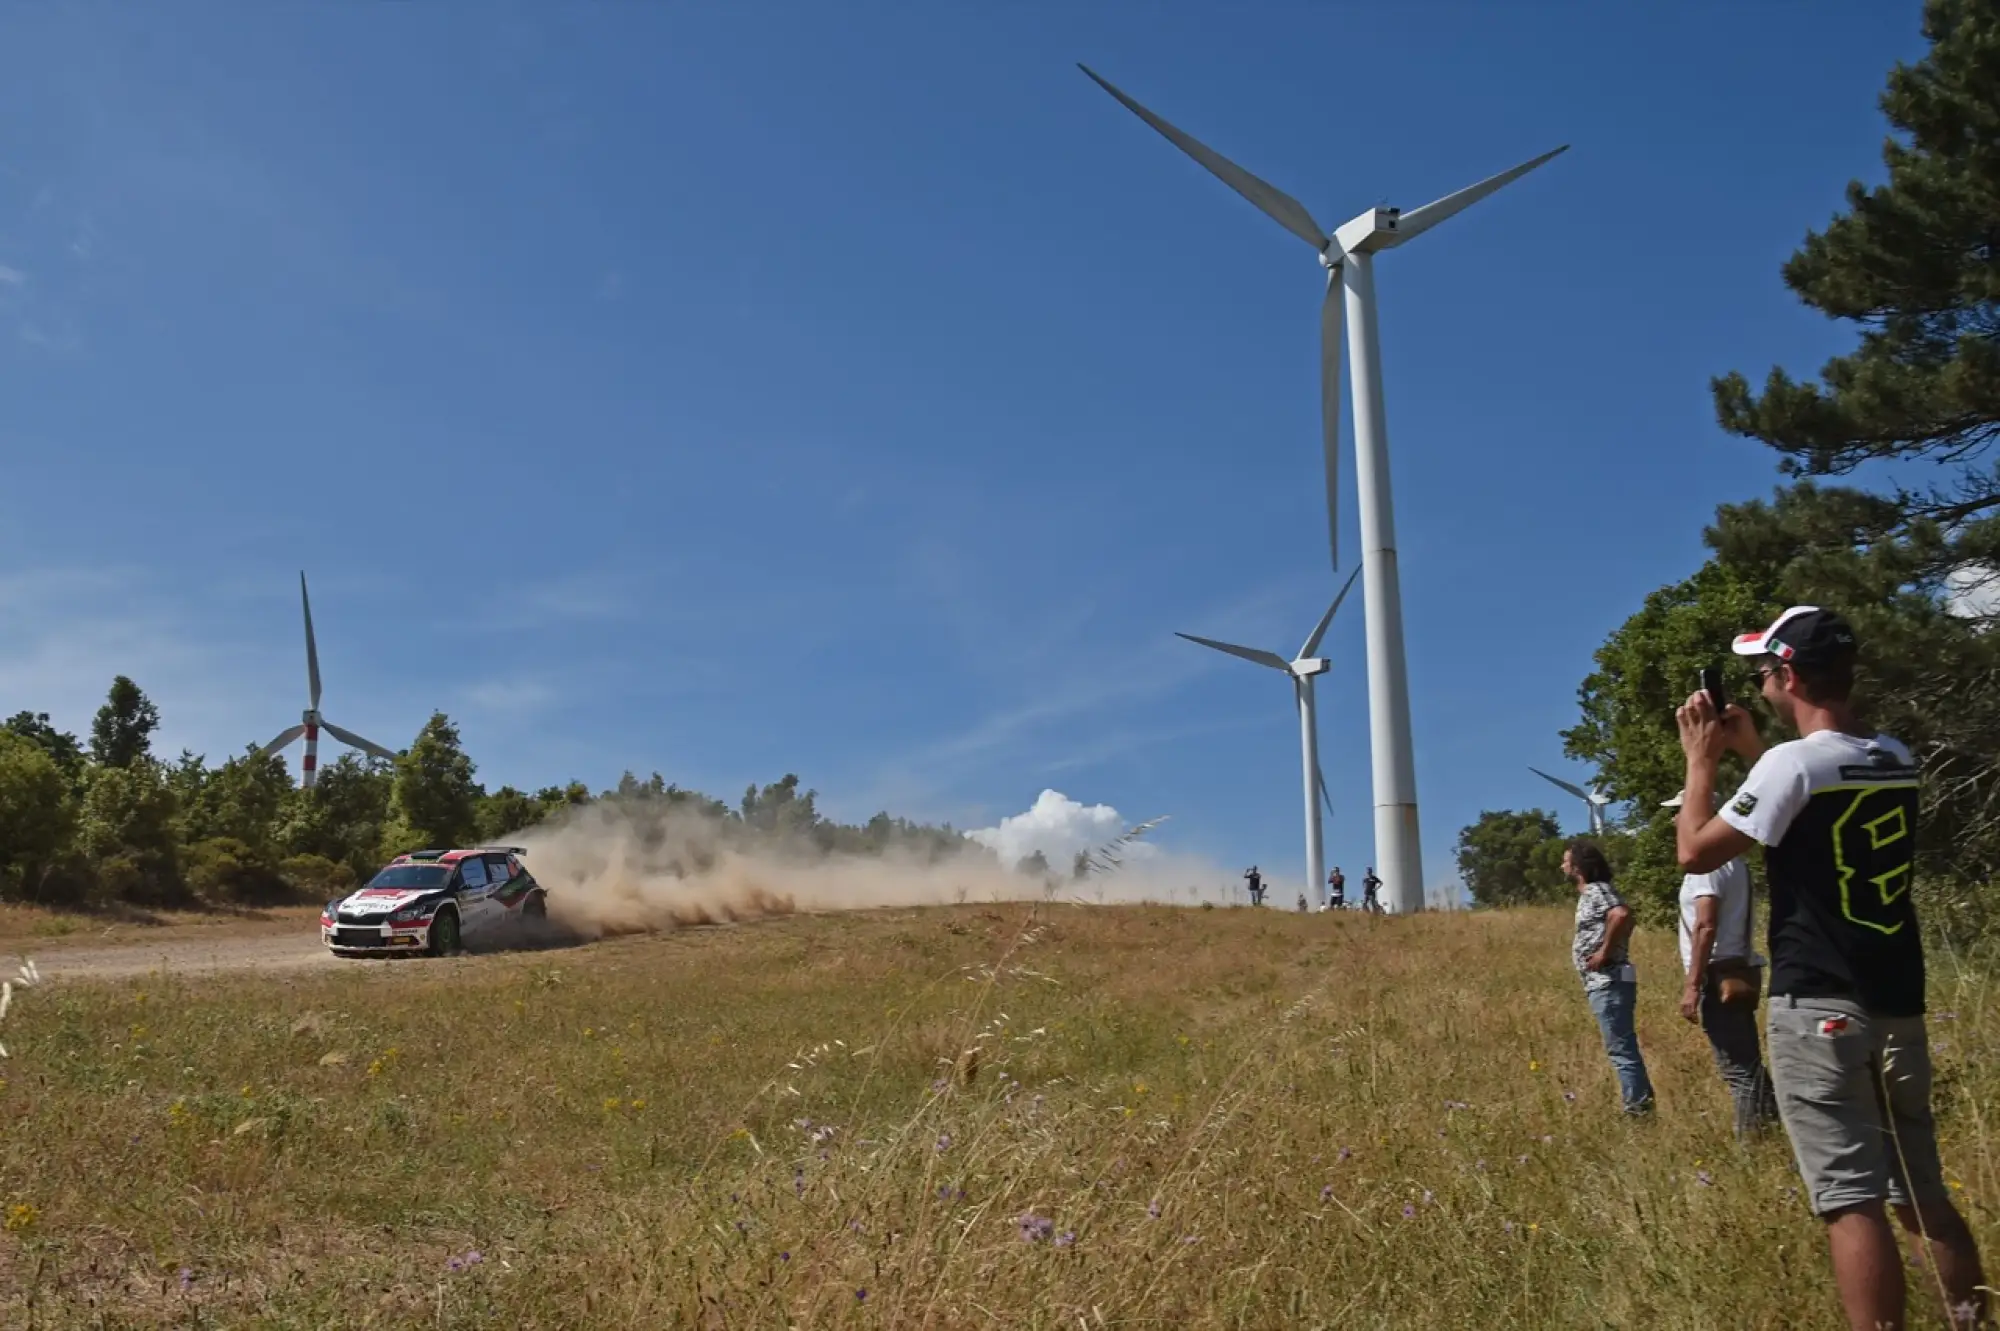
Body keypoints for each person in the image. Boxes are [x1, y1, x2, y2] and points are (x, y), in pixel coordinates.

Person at [1674, 605, 1985, 1331]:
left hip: (1819, 1004)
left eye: (1763, 671)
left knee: (1852, 1200)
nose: (1759, 681)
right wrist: (1758, 747)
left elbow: (1696, 850)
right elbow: (1810, 809)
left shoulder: (1793, 764)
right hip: (1898, 1001)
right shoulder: (1893, 754)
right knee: (1922, 1192)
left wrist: (1702, 760)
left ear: (1788, 675)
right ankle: (1972, 1321)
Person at [1663, 788, 1779, 1139]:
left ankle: (1753, 1146)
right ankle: (1775, 1130)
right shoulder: (1735, 861)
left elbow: (1705, 923)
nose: (1672, 820)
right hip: (1737, 969)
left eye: (1678, 813)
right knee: (1749, 1064)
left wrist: (1692, 985)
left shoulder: (1706, 865)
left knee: (1737, 1070)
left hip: (1718, 975)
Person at [1563, 838, 1654, 1115]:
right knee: (1622, 1047)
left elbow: (1622, 914)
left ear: (1578, 867)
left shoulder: (1596, 891)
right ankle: (1641, 1104)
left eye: (1566, 861)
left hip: (1607, 980)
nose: (1561, 866)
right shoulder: (1594, 893)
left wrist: (1605, 952)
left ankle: (1638, 1112)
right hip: (1605, 981)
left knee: (1621, 1050)